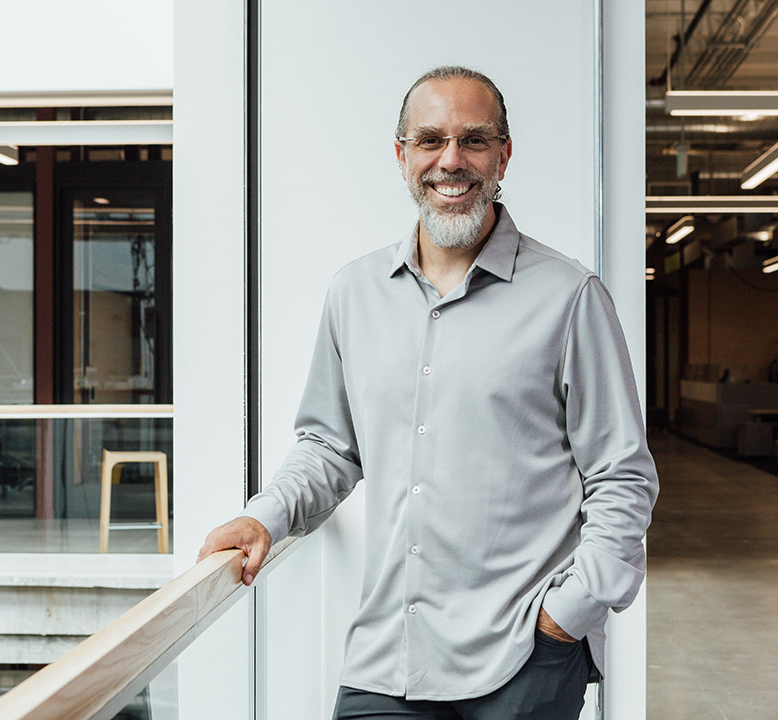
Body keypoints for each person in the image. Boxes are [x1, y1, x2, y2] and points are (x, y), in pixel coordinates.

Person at [198, 66, 659, 720]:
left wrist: (570, 613)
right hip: (390, 653)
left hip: (524, 654)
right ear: (402, 156)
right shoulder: (354, 293)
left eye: (474, 140)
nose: (451, 160)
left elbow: (622, 473)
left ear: (504, 156)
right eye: (430, 140)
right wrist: (264, 516)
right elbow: (330, 447)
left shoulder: (568, 297)